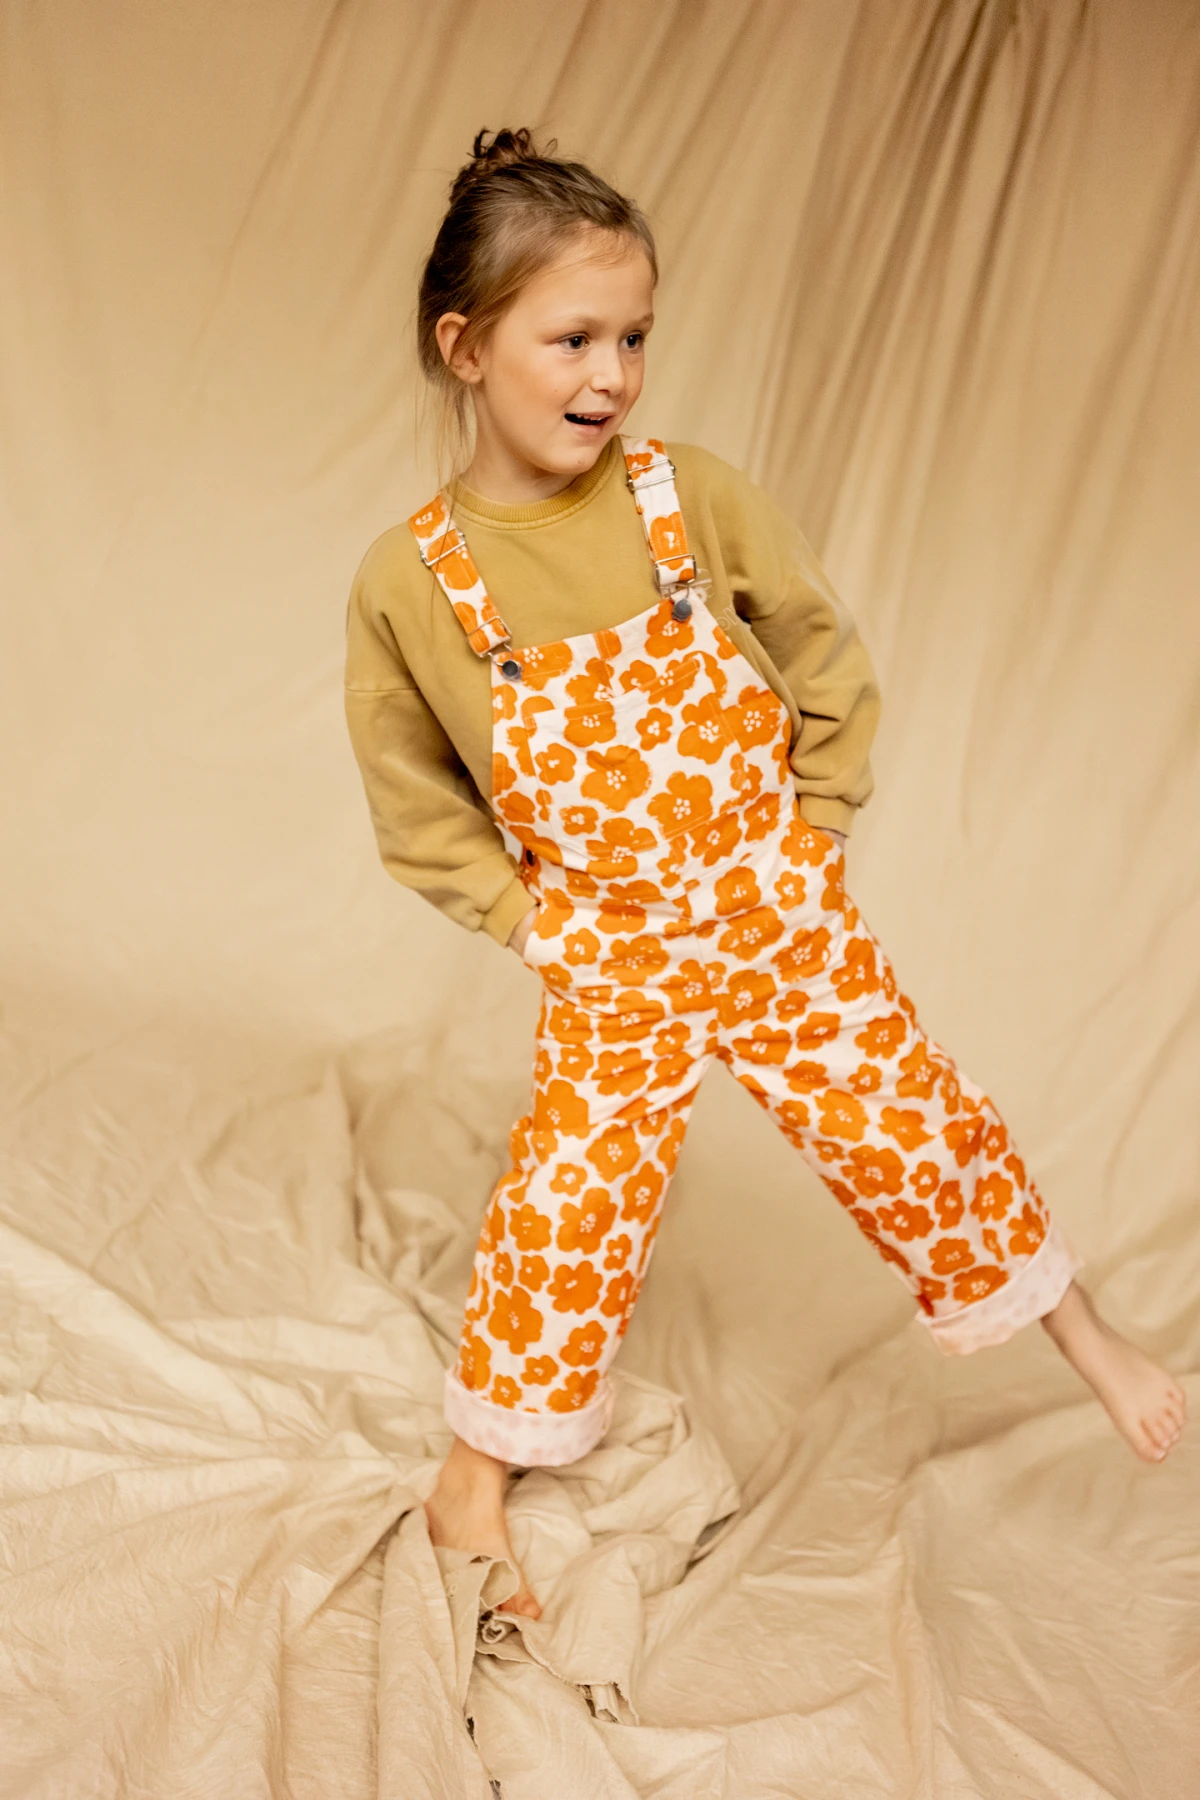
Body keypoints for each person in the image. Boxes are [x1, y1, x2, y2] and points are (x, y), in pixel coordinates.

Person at [343, 127, 1186, 1619]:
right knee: (567, 1206)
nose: (611, 374)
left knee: (910, 1124)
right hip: (613, 952)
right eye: (572, 339)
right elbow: (417, 805)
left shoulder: (688, 496)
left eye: (634, 338)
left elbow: (820, 654)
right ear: (465, 348)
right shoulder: (414, 581)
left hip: (772, 910)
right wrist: (537, 928)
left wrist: (819, 822)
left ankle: (1083, 1329)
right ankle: (475, 1477)